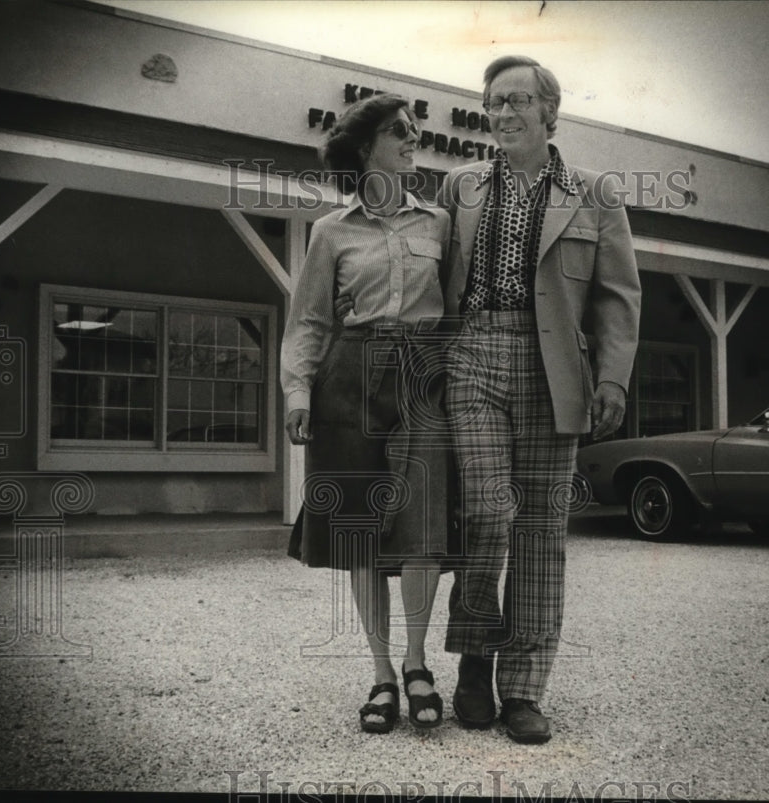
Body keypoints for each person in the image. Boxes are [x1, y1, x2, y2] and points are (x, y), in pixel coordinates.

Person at [438, 55, 642, 744]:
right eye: (494, 102)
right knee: (489, 511)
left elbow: (617, 296)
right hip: (473, 354)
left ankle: (524, 690)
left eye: (518, 101)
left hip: (555, 366)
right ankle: (473, 658)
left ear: (550, 111)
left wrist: (612, 376)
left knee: (542, 535)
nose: (504, 113)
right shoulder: (460, 186)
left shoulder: (594, 192)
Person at [281, 94, 452, 733]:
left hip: (422, 378)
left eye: (414, 129)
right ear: (365, 148)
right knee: (358, 529)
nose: (413, 139)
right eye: (398, 131)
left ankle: (416, 662)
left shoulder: (439, 222)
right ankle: (381, 674)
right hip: (349, 378)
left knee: (422, 522)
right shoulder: (331, 231)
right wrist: (298, 394)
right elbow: (309, 322)